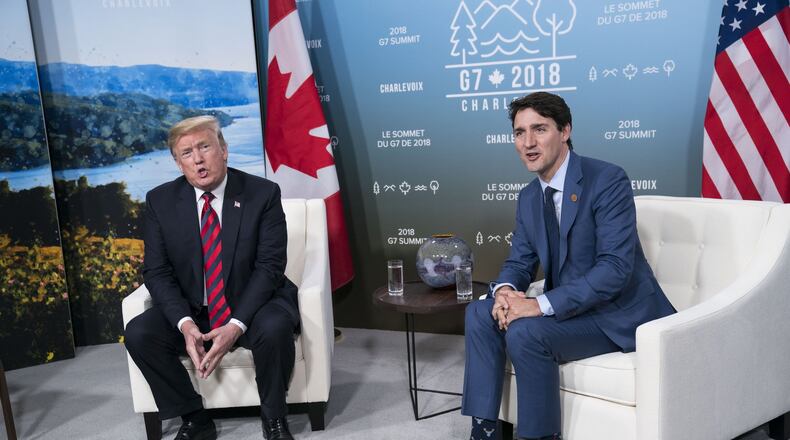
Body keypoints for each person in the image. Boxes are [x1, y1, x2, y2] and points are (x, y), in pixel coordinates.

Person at [461, 92, 675, 440]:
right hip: (570, 308)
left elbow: (614, 270)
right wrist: (504, 292)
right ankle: (485, 430)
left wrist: (537, 305)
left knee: (526, 331)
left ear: (565, 131)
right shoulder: (530, 196)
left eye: (539, 129)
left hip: (615, 314)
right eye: (519, 132)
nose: (528, 143)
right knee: (478, 312)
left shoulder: (607, 180)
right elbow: (520, 261)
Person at [125, 116, 299, 440]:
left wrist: (235, 326)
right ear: (178, 163)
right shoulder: (159, 202)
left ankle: (274, 420)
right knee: (138, 333)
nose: (199, 159)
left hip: (253, 303)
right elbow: (156, 272)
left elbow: (270, 267)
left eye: (205, 146)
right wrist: (186, 324)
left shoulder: (262, 194)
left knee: (275, 328)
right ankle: (194, 418)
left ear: (224, 149)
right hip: (195, 308)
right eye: (187, 153)